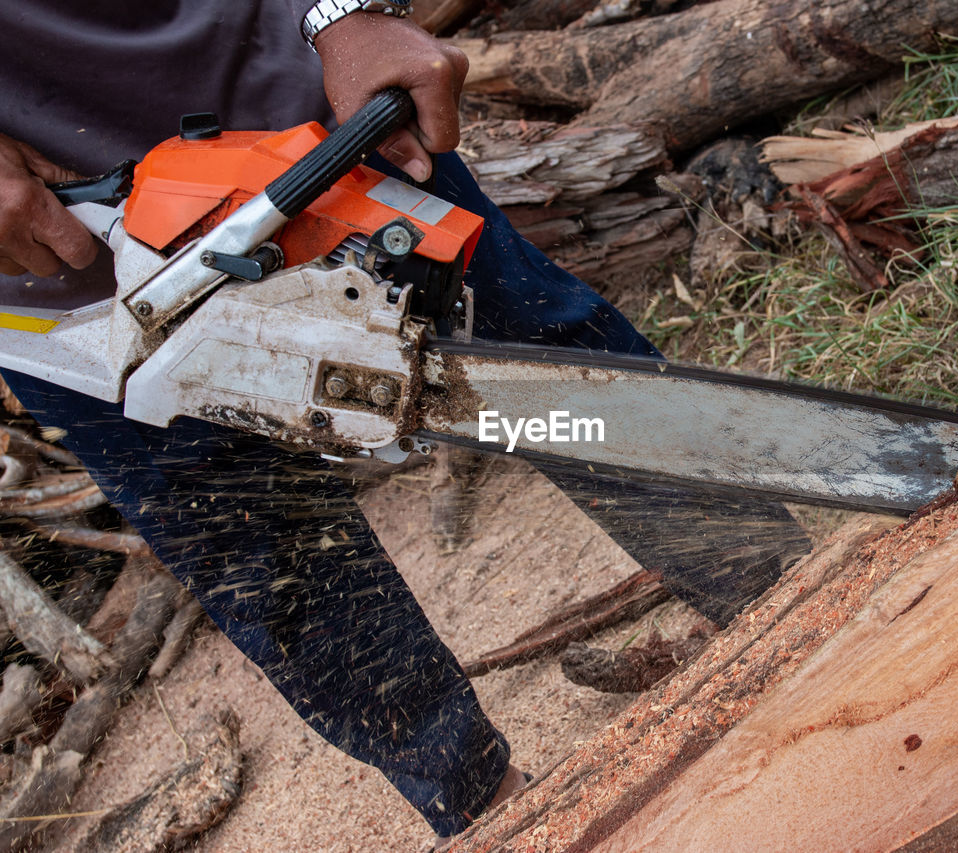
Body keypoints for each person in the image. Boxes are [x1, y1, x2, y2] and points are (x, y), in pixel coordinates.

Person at [0, 1, 811, 843]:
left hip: (286, 129)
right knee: (262, 554)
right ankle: (493, 808)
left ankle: (791, 598)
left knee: (552, 374)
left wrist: (348, 14)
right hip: (52, 297)